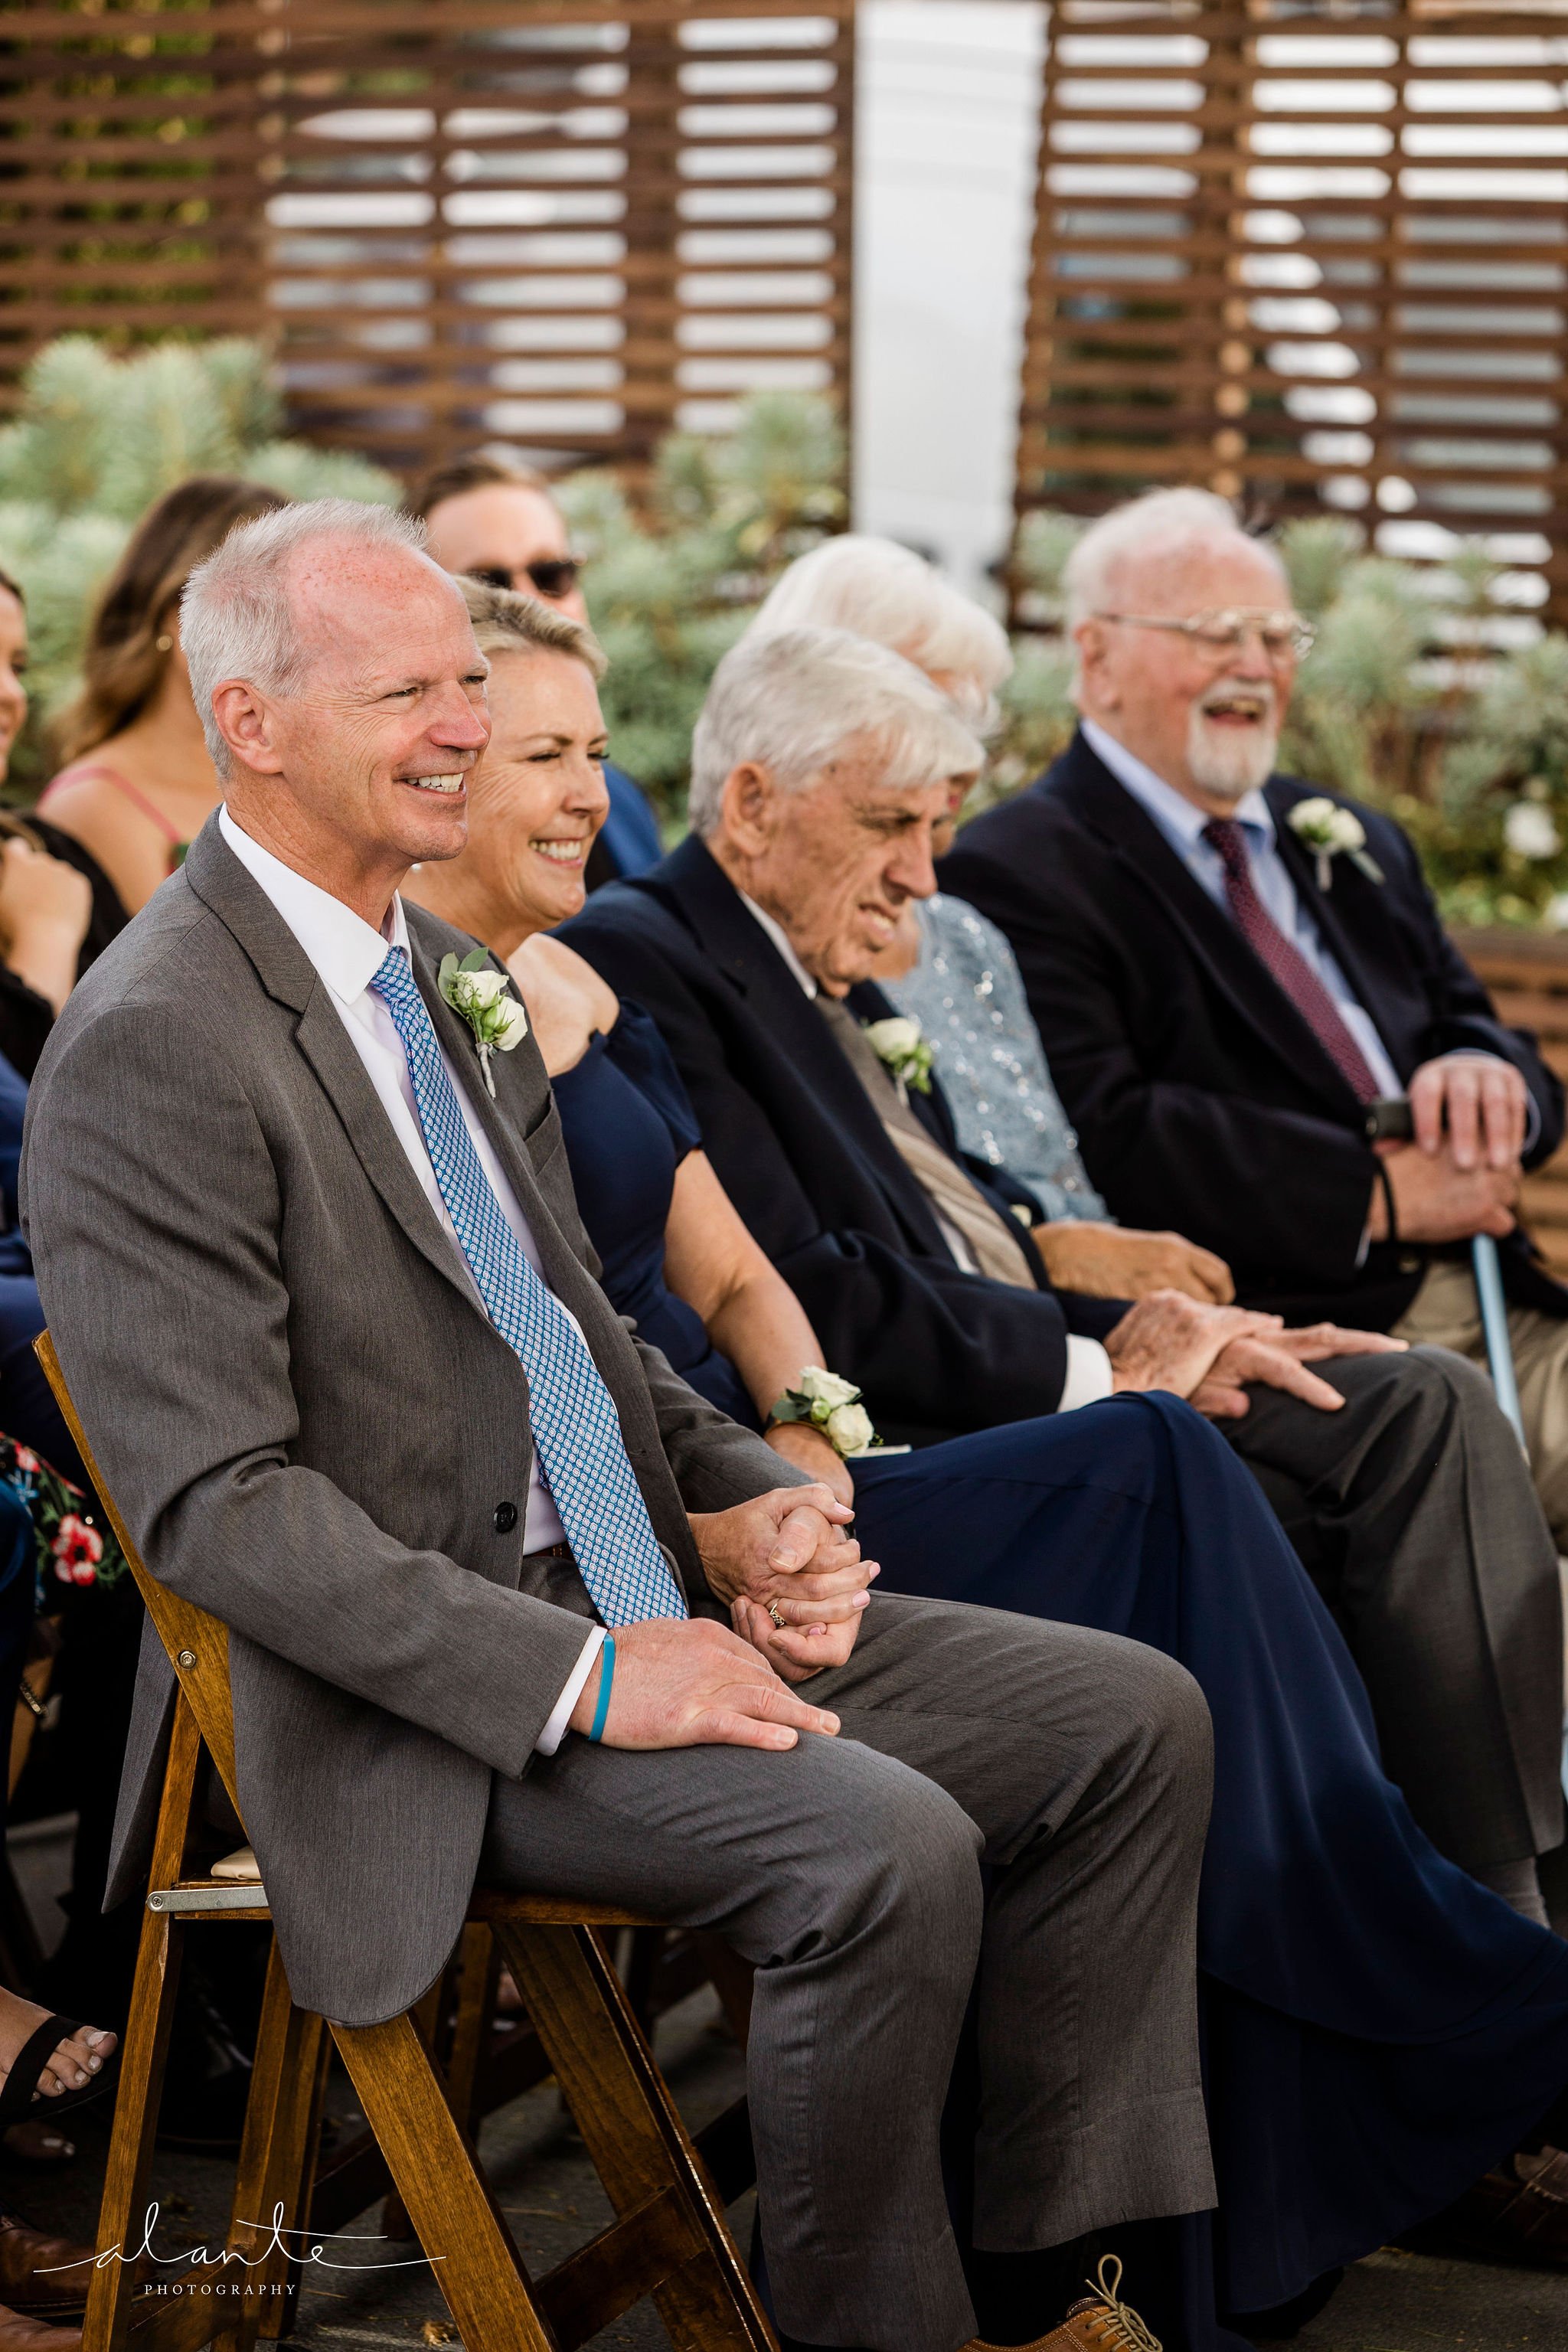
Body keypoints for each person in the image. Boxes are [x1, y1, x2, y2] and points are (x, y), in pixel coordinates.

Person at [22, 499, 1218, 2352]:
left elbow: (578, 1342)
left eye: (468, 683)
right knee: (878, 1849)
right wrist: (592, 1673)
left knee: (1128, 1719)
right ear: (250, 722)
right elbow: (222, 1510)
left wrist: (745, 1506)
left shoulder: (440, 978)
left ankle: (1038, 2286)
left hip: (635, 1590)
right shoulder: (155, 1036)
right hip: (427, 1699)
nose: (459, 726)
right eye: (405, 688)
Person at [423, 583, 1568, 2336]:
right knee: (1156, 1468)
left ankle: (1405, 1976)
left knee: (1370, 1419)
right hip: (670, 1538)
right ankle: (1420, 1973)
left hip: (786, 1465)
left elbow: (741, 1276)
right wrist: (825, 1463)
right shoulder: (473, 994)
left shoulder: (576, 973)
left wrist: (793, 1441)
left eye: (594, 747)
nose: (592, 787)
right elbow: (628, 1318)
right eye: (542, 753)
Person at [564, 626, 1568, 1943]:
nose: (924, 876)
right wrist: (1107, 1364)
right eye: (889, 825)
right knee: (1327, 1439)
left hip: (1022, 1365)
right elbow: (824, 1290)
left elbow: (973, 1220)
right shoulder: (656, 954)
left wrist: (1181, 1333)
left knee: (1406, 1393)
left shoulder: (827, 950)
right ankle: (1429, 1942)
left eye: (937, 826)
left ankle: (1504, 1904)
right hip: (925, 1434)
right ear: (750, 802)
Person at [939, 487, 1568, 1550]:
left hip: (1508, 1285)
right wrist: (1374, 1195)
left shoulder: (1346, 837)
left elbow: (1475, 1021)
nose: (1255, 666)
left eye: (1277, 636)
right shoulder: (1019, 868)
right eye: (1214, 634)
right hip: (1326, 1318)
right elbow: (1111, 1127)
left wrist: (1484, 1070)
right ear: (1097, 659)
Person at [34, 477, 291, 917]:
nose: (297, 638)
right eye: (267, 610)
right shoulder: (93, 804)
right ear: (182, 619)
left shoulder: (301, 772)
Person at [409, 452, 663, 886]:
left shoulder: (620, 799)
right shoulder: (404, 824)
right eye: (488, 583)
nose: (528, 601)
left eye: (552, 573)